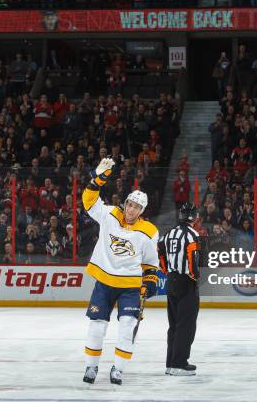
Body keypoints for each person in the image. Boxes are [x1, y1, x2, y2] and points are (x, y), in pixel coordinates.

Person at [81, 158, 159, 386]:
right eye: (129, 204)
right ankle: (91, 366)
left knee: (127, 325)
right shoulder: (110, 214)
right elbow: (88, 201)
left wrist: (151, 281)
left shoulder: (149, 231)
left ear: (142, 210)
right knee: (97, 325)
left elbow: (150, 262)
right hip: (104, 282)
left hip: (130, 287)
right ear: (125, 203)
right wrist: (98, 179)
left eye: (136, 207)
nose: (131, 209)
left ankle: (118, 368)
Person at [158, 202, 201, 376]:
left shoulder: (169, 233)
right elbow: (192, 258)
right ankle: (179, 363)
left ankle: (170, 363)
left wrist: (166, 269)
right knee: (187, 325)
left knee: (174, 324)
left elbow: (160, 249)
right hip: (186, 282)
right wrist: (194, 276)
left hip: (171, 280)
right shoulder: (192, 234)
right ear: (195, 217)